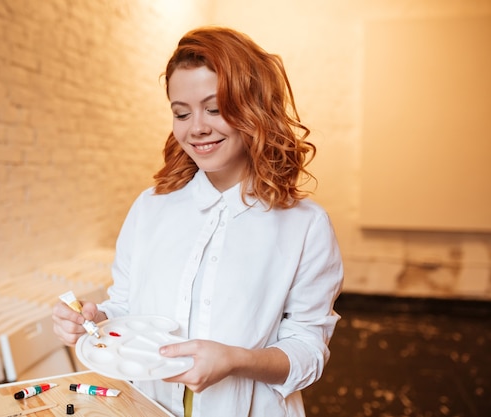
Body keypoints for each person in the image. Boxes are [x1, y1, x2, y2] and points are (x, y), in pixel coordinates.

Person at [52, 26, 343, 417]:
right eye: (181, 112)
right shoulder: (150, 207)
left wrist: (237, 360)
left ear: (253, 108)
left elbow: (308, 351)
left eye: (215, 108)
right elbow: (125, 306)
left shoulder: (305, 225)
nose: (197, 128)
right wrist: (96, 321)